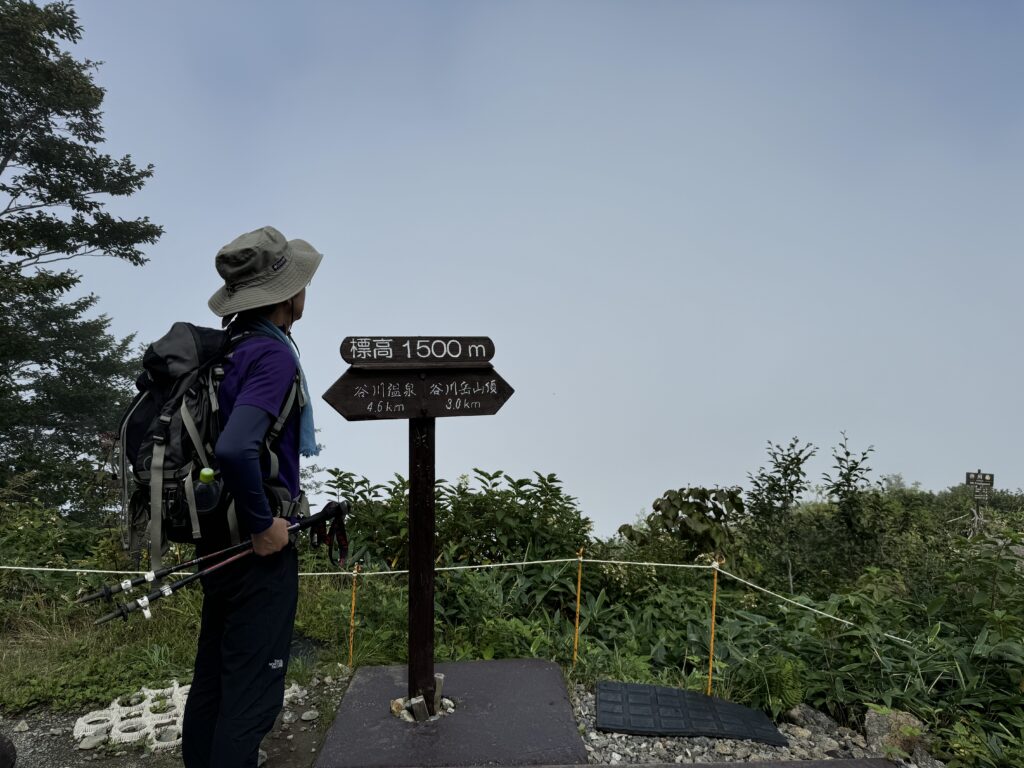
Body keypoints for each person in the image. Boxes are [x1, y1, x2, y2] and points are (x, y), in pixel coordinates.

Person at [182, 226, 323, 768]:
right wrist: (266, 526)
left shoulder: (225, 350)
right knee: (251, 695)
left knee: (214, 677)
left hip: (214, 536)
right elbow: (238, 447)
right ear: (287, 294)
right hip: (253, 546)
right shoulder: (273, 355)